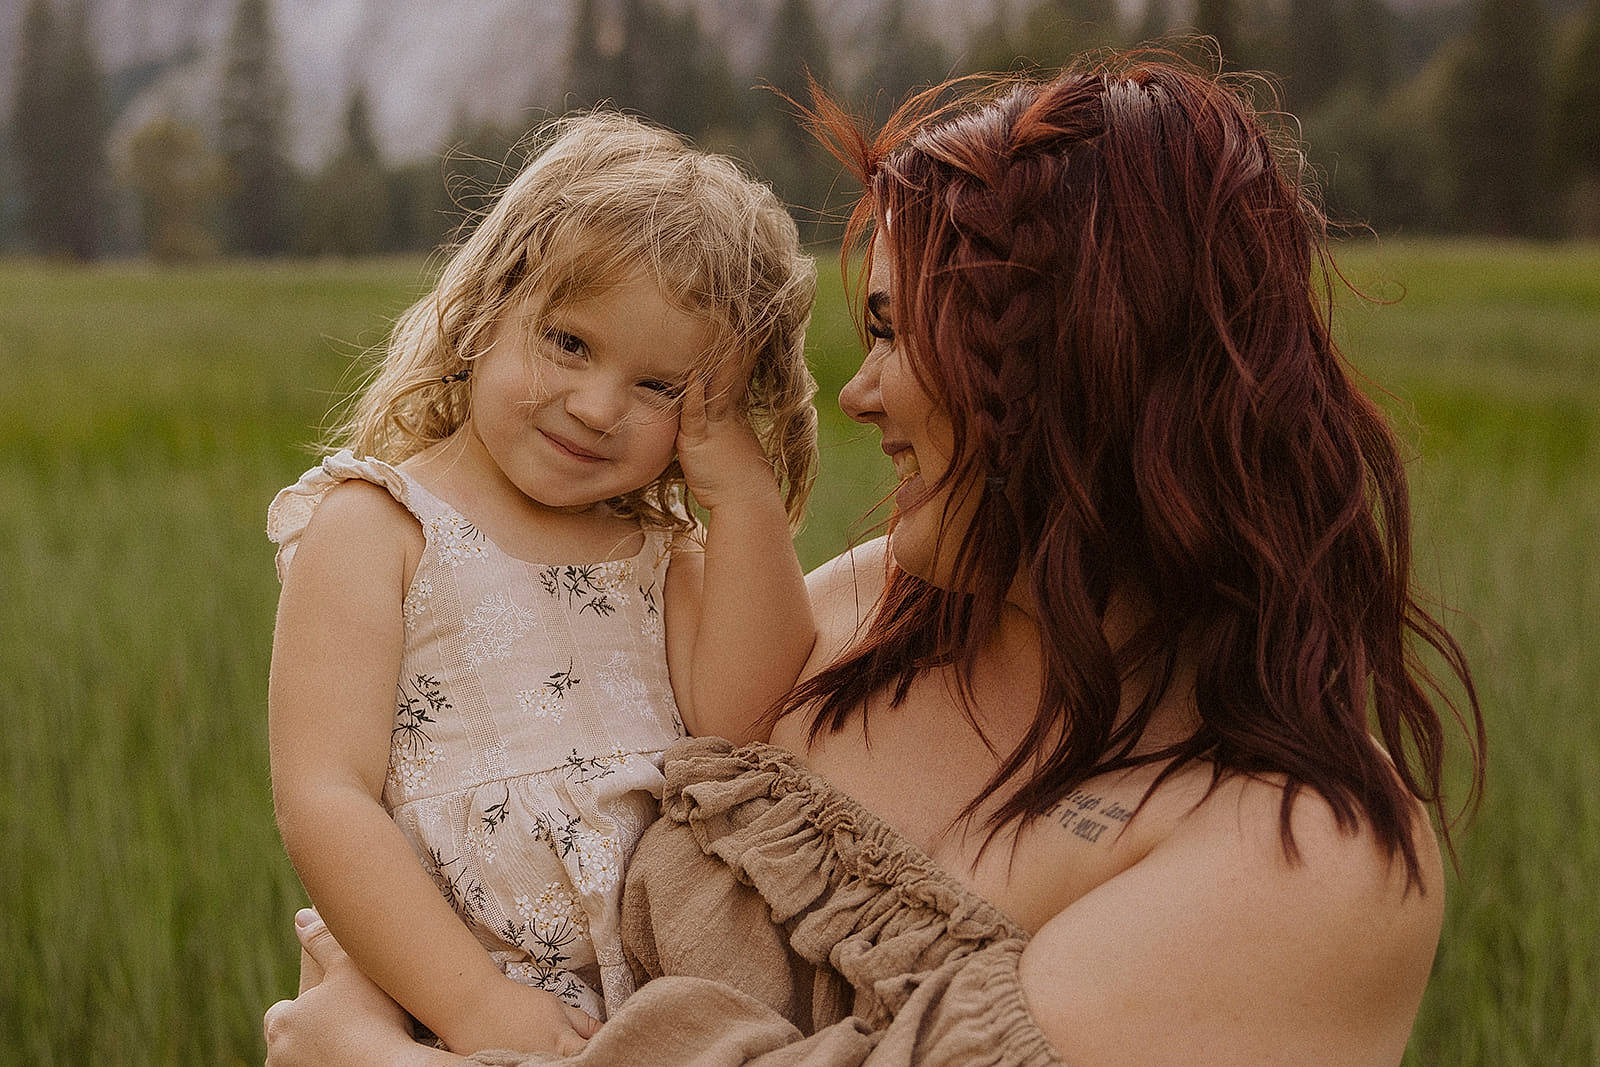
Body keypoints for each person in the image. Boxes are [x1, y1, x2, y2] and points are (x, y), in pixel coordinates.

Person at [264, 53, 1486, 1066]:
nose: (853, 393)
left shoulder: (1303, 850)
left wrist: (373, 1059)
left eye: (898, 331)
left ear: (1076, 373)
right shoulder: (865, 605)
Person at [264, 112, 819, 1057]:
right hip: (446, 1004)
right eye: (569, 343)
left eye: (661, 388)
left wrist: (744, 496)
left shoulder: (664, 554)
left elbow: (747, 723)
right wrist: (474, 1002)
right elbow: (326, 795)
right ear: (487, 309)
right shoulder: (379, 525)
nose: (599, 407)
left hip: (656, 1010)